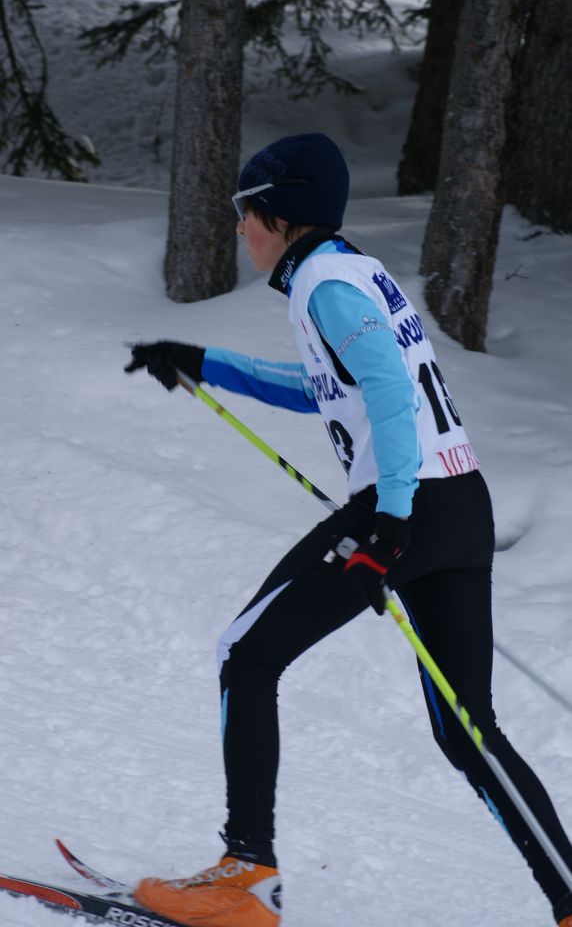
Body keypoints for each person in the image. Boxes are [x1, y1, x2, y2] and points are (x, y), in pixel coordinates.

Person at [125, 133, 572, 927]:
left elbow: (391, 393)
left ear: (281, 214)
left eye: (244, 210)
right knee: (469, 732)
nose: (239, 227)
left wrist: (390, 525)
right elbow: (326, 387)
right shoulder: (350, 271)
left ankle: (246, 876)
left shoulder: (325, 283)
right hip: (459, 502)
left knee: (245, 653)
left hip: (407, 508)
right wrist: (203, 361)